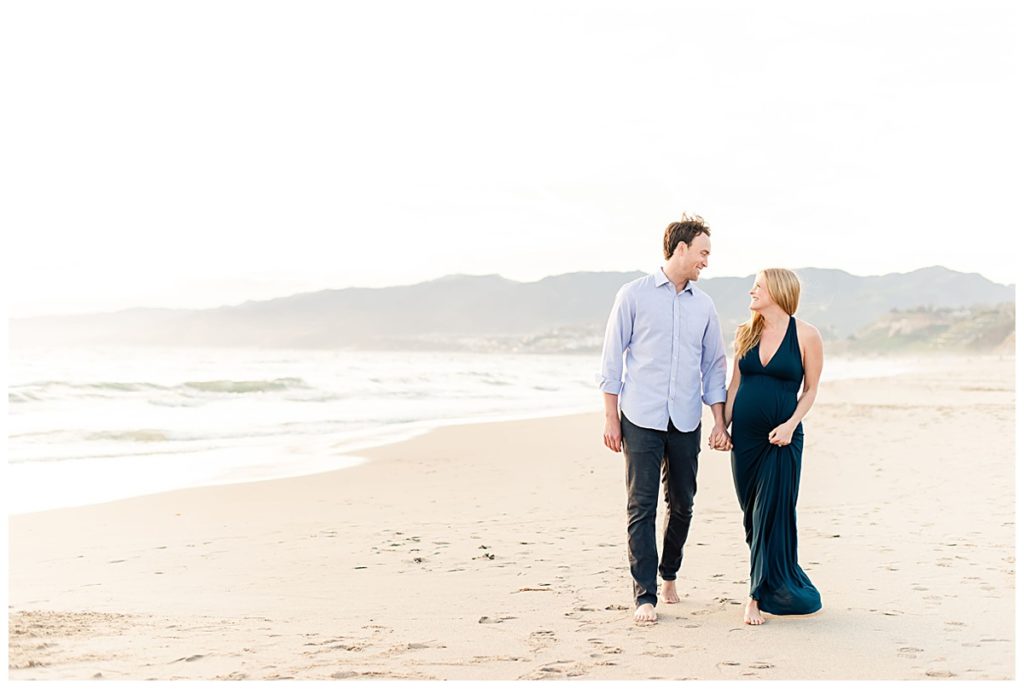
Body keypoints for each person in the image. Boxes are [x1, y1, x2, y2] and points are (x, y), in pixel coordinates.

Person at [598, 213, 730, 625]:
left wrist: (719, 421)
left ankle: (669, 572)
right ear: (681, 248)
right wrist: (610, 418)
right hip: (639, 414)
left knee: (683, 504)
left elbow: (714, 366)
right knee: (642, 506)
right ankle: (645, 595)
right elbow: (611, 359)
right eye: (703, 252)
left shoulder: (704, 305)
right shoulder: (633, 295)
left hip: (686, 417)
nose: (707, 261)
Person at [725, 268, 823, 625]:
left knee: (771, 513)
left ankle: (755, 596)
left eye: (758, 286)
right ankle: (772, 581)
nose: (751, 291)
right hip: (746, 441)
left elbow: (810, 390)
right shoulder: (745, 333)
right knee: (752, 517)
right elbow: (733, 386)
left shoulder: (807, 335)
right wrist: (723, 426)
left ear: (778, 292)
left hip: (782, 439)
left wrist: (790, 424)